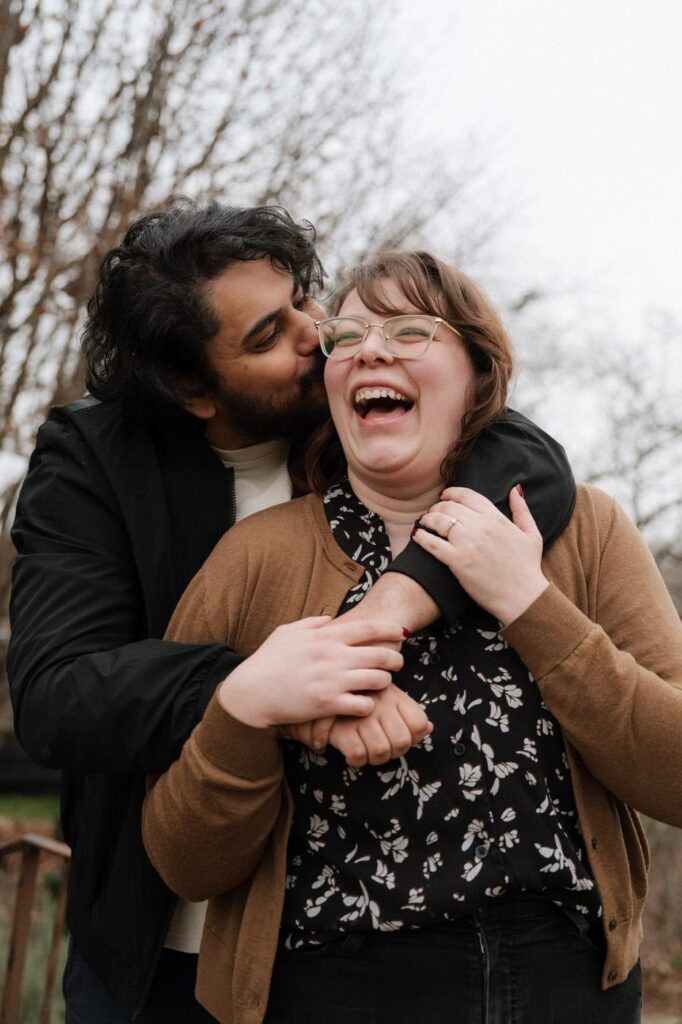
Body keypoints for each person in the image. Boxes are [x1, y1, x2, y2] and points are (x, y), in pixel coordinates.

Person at [8, 204, 574, 1023]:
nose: (316, 335)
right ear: (193, 388)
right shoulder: (93, 461)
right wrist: (270, 682)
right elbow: (60, 693)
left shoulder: (346, 410)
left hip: (329, 945)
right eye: (269, 336)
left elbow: (527, 459)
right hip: (163, 940)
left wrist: (389, 605)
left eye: (304, 301)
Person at [142, 249, 682, 1024]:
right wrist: (246, 709)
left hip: (567, 982)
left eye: (410, 329)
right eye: (347, 335)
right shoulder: (255, 559)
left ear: (478, 376)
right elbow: (180, 857)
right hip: (330, 987)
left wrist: (531, 603)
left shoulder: (584, 531)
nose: (370, 348)